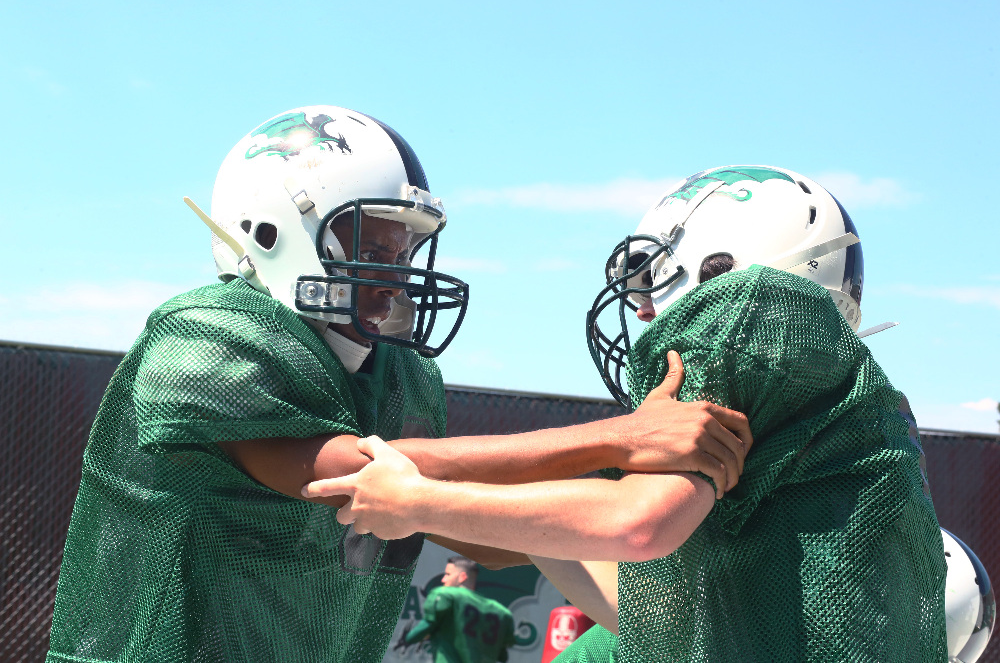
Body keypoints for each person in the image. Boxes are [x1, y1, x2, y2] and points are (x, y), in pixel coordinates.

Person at [45, 108, 752, 663]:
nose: (397, 270)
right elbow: (352, 477)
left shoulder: (398, 379)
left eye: (404, 249)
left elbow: (468, 521)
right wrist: (622, 439)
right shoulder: (208, 334)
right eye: (373, 246)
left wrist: (608, 506)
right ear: (270, 232)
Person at [305, 165, 950, 662]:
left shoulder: (757, 324)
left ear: (731, 269)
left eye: (654, 279)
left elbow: (640, 528)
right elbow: (656, 609)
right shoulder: (825, 391)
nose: (642, 312)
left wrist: (414, 498)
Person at [403, 556, 515, 663]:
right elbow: (503, 656)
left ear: (462, 577)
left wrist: (408, 639)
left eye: (448, 574)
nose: (443, 579)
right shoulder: (501, 612)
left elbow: (426, 626)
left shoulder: (445, 594)